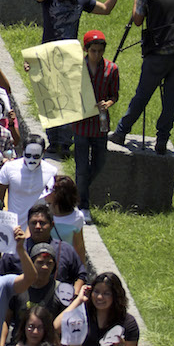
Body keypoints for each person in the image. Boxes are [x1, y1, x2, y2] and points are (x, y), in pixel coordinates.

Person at [30, 0, 126, 154]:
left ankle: (65, 143)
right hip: (48, 54)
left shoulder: (81, 0)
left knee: (68, 101)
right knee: (50, 100)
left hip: (70, 56)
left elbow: (106, 9)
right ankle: (52, 141)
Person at [110, 0, 174, 154]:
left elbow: (138, 20)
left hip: (158, 53)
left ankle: (121, 132)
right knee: (171, 100)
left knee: (142, 94)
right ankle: (162, 141)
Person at [73, 30, 119, 223]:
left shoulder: (111, 69)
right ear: (86, 50)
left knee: (99, 163)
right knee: (82, 167)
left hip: (100, 125)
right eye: (93, 51)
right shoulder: (76, 67)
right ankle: (83, 204)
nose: (97, 55)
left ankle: (76, 190)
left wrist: (108, 103)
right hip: (81, 124)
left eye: (100, 51)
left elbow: (114, 94)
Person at [0, 203, 86, 295]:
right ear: (28, 224)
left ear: (52, 225)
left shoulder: (66, 250)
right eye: (34, 223)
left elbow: (81, 274)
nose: (38, 227)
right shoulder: (15, 250)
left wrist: (73, 295)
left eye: (42, 223)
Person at [0, 137, 57, 228]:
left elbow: (53, 202)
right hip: (14, 228)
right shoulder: (9, 168)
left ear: (44, 152)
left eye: (36, 156)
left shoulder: (52, 171)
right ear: (23, 150)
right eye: (28, 155)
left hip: (39, 229)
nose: (31, 160)